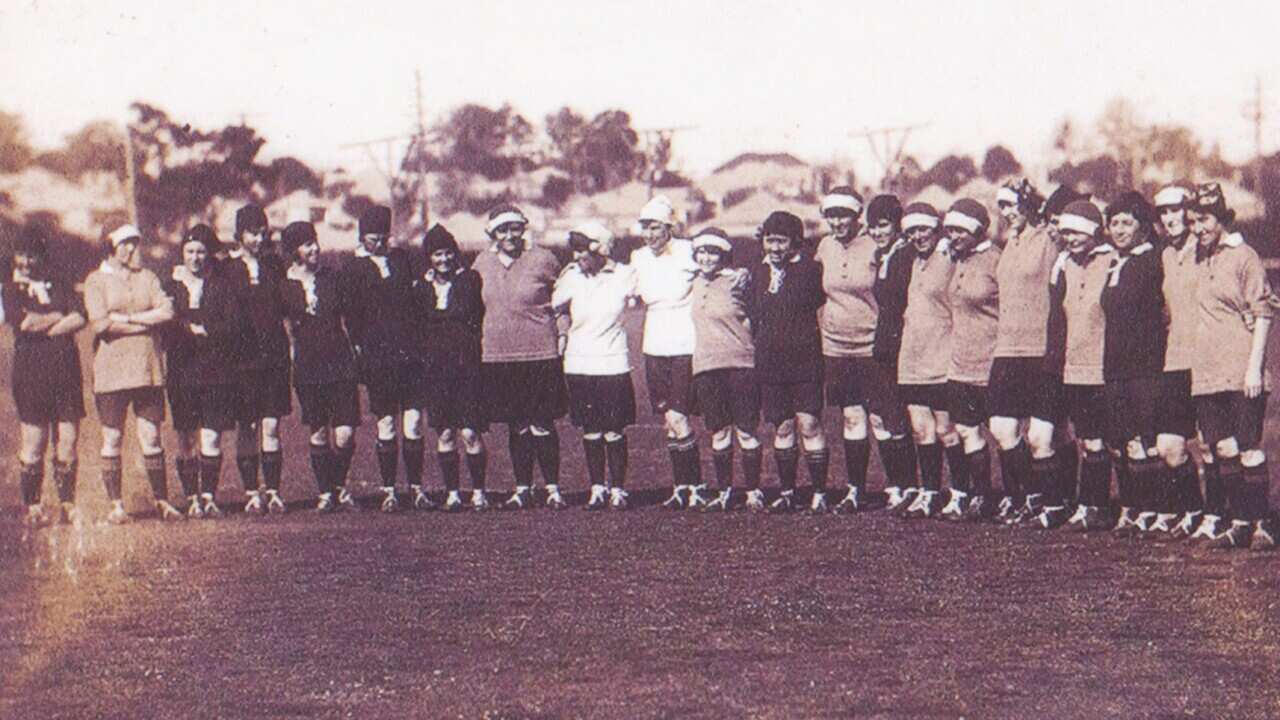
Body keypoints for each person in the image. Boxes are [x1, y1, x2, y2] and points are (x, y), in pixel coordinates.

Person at [1185, 184, 1275, 550]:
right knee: (1222, 448)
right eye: (1193, 221)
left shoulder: (1245, 256)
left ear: (1221, 217)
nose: (1197, 227)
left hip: (1240, 369)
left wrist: (1254, 369)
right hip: (1207, 372)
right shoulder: (1198, 256)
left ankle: (1263, 525)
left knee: (1248, 448)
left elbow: (1264, 312)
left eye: (1204, 219)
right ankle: (1240, 521)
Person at [813, 188, 910, 513]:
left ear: (857, 217)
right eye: (831, 215)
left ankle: (896, 487)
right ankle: (855, 489)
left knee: (882, 420)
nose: (838, 222)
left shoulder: (874, 245)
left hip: (872, 347)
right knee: (852, 418)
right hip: (836, 348)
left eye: (844, 215)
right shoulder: (824, 246)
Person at [474, 204, 568, 510]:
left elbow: (565, 300)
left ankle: (553, 488)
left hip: (540, 353)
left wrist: (563, 335)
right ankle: (523, 488)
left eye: (516, 228)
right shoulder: (482, 263)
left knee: (542, 424)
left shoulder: (544, 259)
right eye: (503, 230)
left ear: (524, 228)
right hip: (499, 357)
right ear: (492, 234)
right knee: (516, 426)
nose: (510, 235)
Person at [83, 224, 177, 523]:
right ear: (110, 245)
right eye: (124, 243)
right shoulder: (96, 281)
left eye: (134, 243)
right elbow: (100, 324)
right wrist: (145, 323)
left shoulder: (146, 277)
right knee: (112, 438)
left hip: (147, 369)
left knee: (151, 436)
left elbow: (167, 311)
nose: (131, 249)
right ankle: (116, 506)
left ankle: (162, 501)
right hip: (111, 374)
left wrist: (127, 319)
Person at [341, 205, 430, 512]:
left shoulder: (402, 260)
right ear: (361, 237)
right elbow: (351, 316)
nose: (377, 244)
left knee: (414, 423)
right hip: (379, 358)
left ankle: (417, 488)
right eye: (371, 238)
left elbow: (418, 300)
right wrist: (360, 349)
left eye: (382, 237)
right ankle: (390, 490)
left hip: (410, 354)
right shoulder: (352, 268)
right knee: (387, 424)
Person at [985, 179, 1062, 526]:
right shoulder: (1007, 244)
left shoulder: (1048, 240)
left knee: (1041, 436)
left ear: (1028, 204)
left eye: (1012, 204)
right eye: (1002, 206)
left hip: (1039, 349)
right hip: (1007, 348)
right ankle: (1030, 495)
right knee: (1002, 429)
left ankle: (1054, 503)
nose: (1007, 212)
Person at [162, 225, 248, 518]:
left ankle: (209, 496)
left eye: (200, 252)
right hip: (182, 371)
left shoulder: (221, 286)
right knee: (186, 437)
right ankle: (191, 497)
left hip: (215, 371)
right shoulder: (171, 285)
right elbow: (165, 322)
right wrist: (186, 328)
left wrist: (205, 329)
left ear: (208, 254)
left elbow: (235, 325)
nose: (195, 258)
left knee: (211, 436)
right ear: (182, 253)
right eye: (189, 251)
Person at [552, 222, 638, 510]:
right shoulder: (571, 277)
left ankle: (619, 489)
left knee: (614, 430)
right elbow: (553, 307)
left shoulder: (625, 275)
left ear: (600, 248)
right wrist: (562, 332)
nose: (577, 257)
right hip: (578, 363)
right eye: (574, 251)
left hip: (613, 362)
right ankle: (597, 488)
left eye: (582, 251)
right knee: (591, 430)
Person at [4, 230, 87, 526]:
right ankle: (34, 506)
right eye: (21, 255)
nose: (26, 262)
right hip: (31, 373)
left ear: (41, 257)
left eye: (31, 256)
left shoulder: (60, 281)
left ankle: (67, 504)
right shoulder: (9, 289)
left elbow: (81, 316)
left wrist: (47, 319)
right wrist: (57, 316)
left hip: (66, 371)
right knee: (34, 442)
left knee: (68, 441)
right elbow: (25, 322)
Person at [749, 210, 828, 512]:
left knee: (809, 423)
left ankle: (819, 492)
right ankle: (787, 492)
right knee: (782, 428)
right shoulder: (758, 272)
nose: (775, 248)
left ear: (795, 243)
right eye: (770, 241)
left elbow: (820, 306)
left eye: (781, 242)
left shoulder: (810, 270)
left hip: (805, 360)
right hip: (771, 362)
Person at [279, 221, 362, 511]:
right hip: (308, 365)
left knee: (345, 433)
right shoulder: (284, 285)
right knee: (318, 431)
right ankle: (327, 492)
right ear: (294, 250)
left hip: (339, 362)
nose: (314, 248)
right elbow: (282, 325)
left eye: (314, 241)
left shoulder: (331, 277)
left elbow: (351, 316)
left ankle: (338, 485)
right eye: (306, 244)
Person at [1100, 192, 1168, 535]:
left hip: (1145, 365)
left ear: (1142, 226)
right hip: (1115, 366)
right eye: (1114, 223)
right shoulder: (1115, 261)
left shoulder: (1155, 261)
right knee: (1122, 442)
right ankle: (1131, 505)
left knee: (1146, 440)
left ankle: (1154, 508)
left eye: (1127, 222)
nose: (1120, 229)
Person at [1046, 200, 1117, 532]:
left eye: (1076, 232)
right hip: (1074, 367)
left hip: (1105, 366)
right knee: (1087, 439)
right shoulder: (1064, 264)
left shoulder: (1113, 260)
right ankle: (1088, 506)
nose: (1070, 239)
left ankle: (1102, 506)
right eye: (1065, 233)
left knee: (1106, 442)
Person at [631, 196, 704, 509]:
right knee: (669, 421)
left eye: (655, 227)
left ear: (669, 227)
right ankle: (681, 488)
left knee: (679, 416)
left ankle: (695, 486)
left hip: (685, 345)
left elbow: (718, 272)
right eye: (645, 227)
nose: (649, 234)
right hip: (654, 346)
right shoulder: (638, 257)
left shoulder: (691, 251)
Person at [222, 204, 292, 514]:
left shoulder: (275, 265)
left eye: (263, 232)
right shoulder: (225, 269)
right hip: (241, 360)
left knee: (271, 425)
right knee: (247, 426)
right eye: (253, 233)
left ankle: (274, 491)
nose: (259, 238)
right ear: (239, 235)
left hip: (274, 356)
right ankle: (252, 491)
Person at [414, 224, 488, 512]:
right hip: (436, 371)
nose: (443, 260)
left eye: (447, 253)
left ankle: (479, 491)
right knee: (445, 434)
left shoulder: (469, 280)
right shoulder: (421, 288)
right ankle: (453, 492)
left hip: (466, 367)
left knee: (470, 432)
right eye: (437, 255)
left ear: (454, 254)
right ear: (429, 258)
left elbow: (477, 317)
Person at [688, 227, 763, 511]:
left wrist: (743, 271)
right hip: (706, 366)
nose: (707, 258)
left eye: (713, 252)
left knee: (746, 430)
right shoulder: (691, 282)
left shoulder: (738, 280)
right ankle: (725, 491)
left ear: (724, 255)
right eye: (702, 252)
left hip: (741, 363)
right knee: (718, 432)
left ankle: (754, 490)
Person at [939, 199, 1001, 521]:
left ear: (977, 229)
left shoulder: (996, 260)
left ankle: (1018, 497)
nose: (954, 235)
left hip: (991, 361)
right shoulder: (955, 259)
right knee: (966, 431)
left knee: (1004, 433)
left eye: (960, 229)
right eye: (950, 229)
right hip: (959, 362)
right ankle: (982, 496)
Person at [894, 203, 958, 518]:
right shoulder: (910, 260)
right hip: (912, 355)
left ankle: (962, 492)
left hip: (942, 353)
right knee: (921, 429)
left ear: (936, 228)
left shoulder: (949, 256)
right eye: (912, 231)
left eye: (923, 229)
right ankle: (930, 491)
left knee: (947, 428)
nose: (918, 236)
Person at [1152, 183, 1207, 539]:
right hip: (1174, 361)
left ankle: (1223, 516)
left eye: (1176, 210)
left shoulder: (1207, 249)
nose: (1170, 219)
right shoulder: (1165, 255)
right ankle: (1193, 509)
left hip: (1208, 360)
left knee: (1212, 447)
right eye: (1164, 213)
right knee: (1169, 446)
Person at [866, 195, 919, 512]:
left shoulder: (908, 254)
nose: (876, 232)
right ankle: (900, 484)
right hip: (884, 344)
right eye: (872, 226)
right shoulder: (882, 254)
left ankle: (914, 486)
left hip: (906, 343)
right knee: (885, 416)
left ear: (897, 224)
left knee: (909, 418)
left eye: (883, 225)